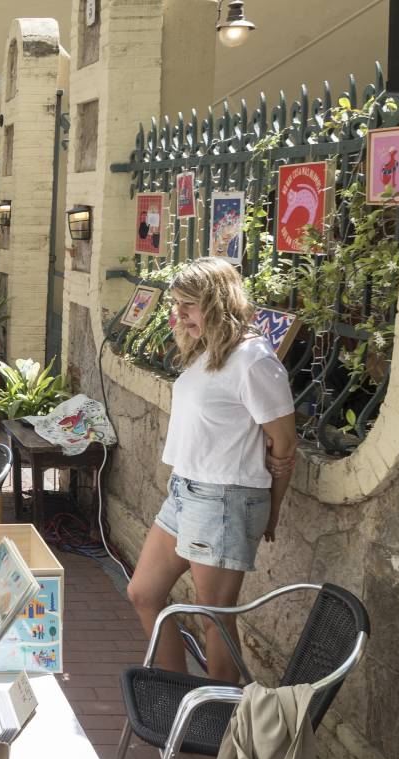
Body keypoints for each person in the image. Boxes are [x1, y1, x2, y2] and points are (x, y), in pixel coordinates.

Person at [127, 257, 297, 684]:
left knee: (213, 619)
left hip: (226, 496)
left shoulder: (254, 360)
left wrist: (272, 510)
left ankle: (216, 720)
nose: (180, 315)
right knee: (144, 593)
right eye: (177, 305)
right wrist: (187, 330)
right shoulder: (209, 352)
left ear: (219, 302)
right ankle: (180, 694)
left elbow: (285, 443)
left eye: (190, 305)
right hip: (186, 490)